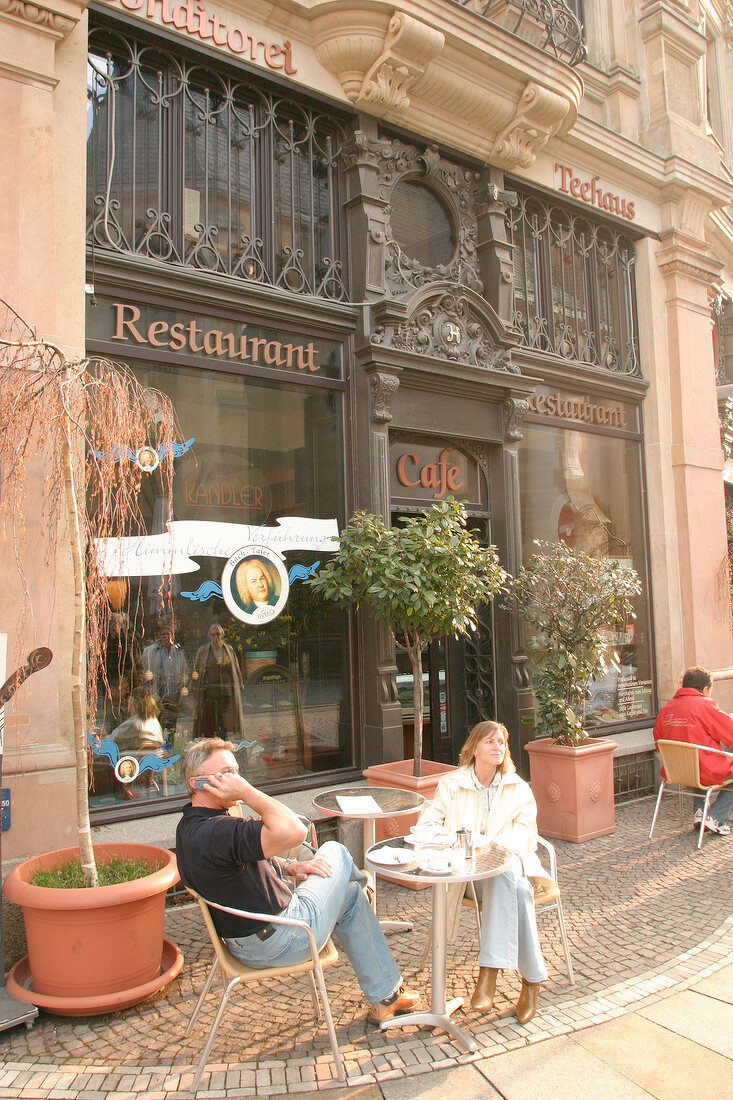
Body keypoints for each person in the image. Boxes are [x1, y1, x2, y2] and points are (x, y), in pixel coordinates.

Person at [175, 737, 420, 1023]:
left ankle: (386, 997)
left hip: (252, 940)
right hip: (283, 938)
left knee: (349, 894)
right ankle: (366, 886)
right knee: (335, 851)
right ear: (197, 784)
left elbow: (249, 856)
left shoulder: (191, 825)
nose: (235, 780)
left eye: (237, 772)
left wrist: (292, 866)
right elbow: (294, 830)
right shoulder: (218, 831)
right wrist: (249, 792)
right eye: (225, 774)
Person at [417, 721, 548, 1023]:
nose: (497, 748)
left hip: (506, 868)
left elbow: (528, 835)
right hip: (466, 877)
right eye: (490, 742)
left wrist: (494, 849)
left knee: (509, 877)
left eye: (501, 743)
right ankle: (530, 981)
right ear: (474, 748)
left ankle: (489, 972)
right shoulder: (451, 784)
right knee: (517, 887)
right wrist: (457, 842)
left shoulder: (518, 788)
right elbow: (427, 825)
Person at [653, 665, 733, 836]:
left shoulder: (666, 709)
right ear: (705, 689)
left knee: (699, 762)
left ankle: (700, 812)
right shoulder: (705, 705)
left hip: (676, 771)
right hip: (704, 770)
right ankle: (716, 817)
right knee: (706, 763)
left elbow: (658, 742)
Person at [192, 624, 245, 738]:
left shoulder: (228, 650)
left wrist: (239, 683)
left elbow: (235, 668)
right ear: (209, 636)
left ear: (222, 635)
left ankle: (224, 738)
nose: (216, 637)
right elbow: (197, 671)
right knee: (209, 719)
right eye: (213, 635)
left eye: (218, 634)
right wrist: (195, 686)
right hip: (210, 690)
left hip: (226, 690)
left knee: (225, 719)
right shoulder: (203, 651)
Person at [143, 620, 190, 735]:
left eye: (167, 634)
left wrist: (182, 682)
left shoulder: (178, 652)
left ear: (172, 636)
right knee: (159, 713)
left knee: (172, 716)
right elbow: (148, 665)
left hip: (174, 688)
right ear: (159, 636)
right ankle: (158, 735)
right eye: (163, 634)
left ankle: (171, 736)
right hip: (160, 686)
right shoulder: (154, 651)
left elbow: (185, 670)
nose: (165, 636)